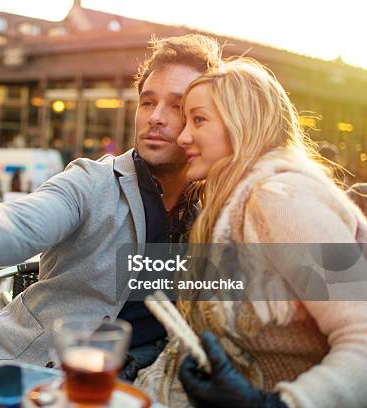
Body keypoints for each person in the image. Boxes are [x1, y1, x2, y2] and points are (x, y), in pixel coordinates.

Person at [0, 34, 221, 371]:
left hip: (139, 388)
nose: (155, 116)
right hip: (27, 377)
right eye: (147, 101)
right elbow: (5, 232)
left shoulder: (218, 207)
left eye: (176, 106)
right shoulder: (91, 183)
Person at [136, 58, 367, 407]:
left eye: (198, 120)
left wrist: (277, 404)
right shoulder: (235, 203)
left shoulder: (281, 199)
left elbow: (362, 333)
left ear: (244, 123)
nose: (183, 136)